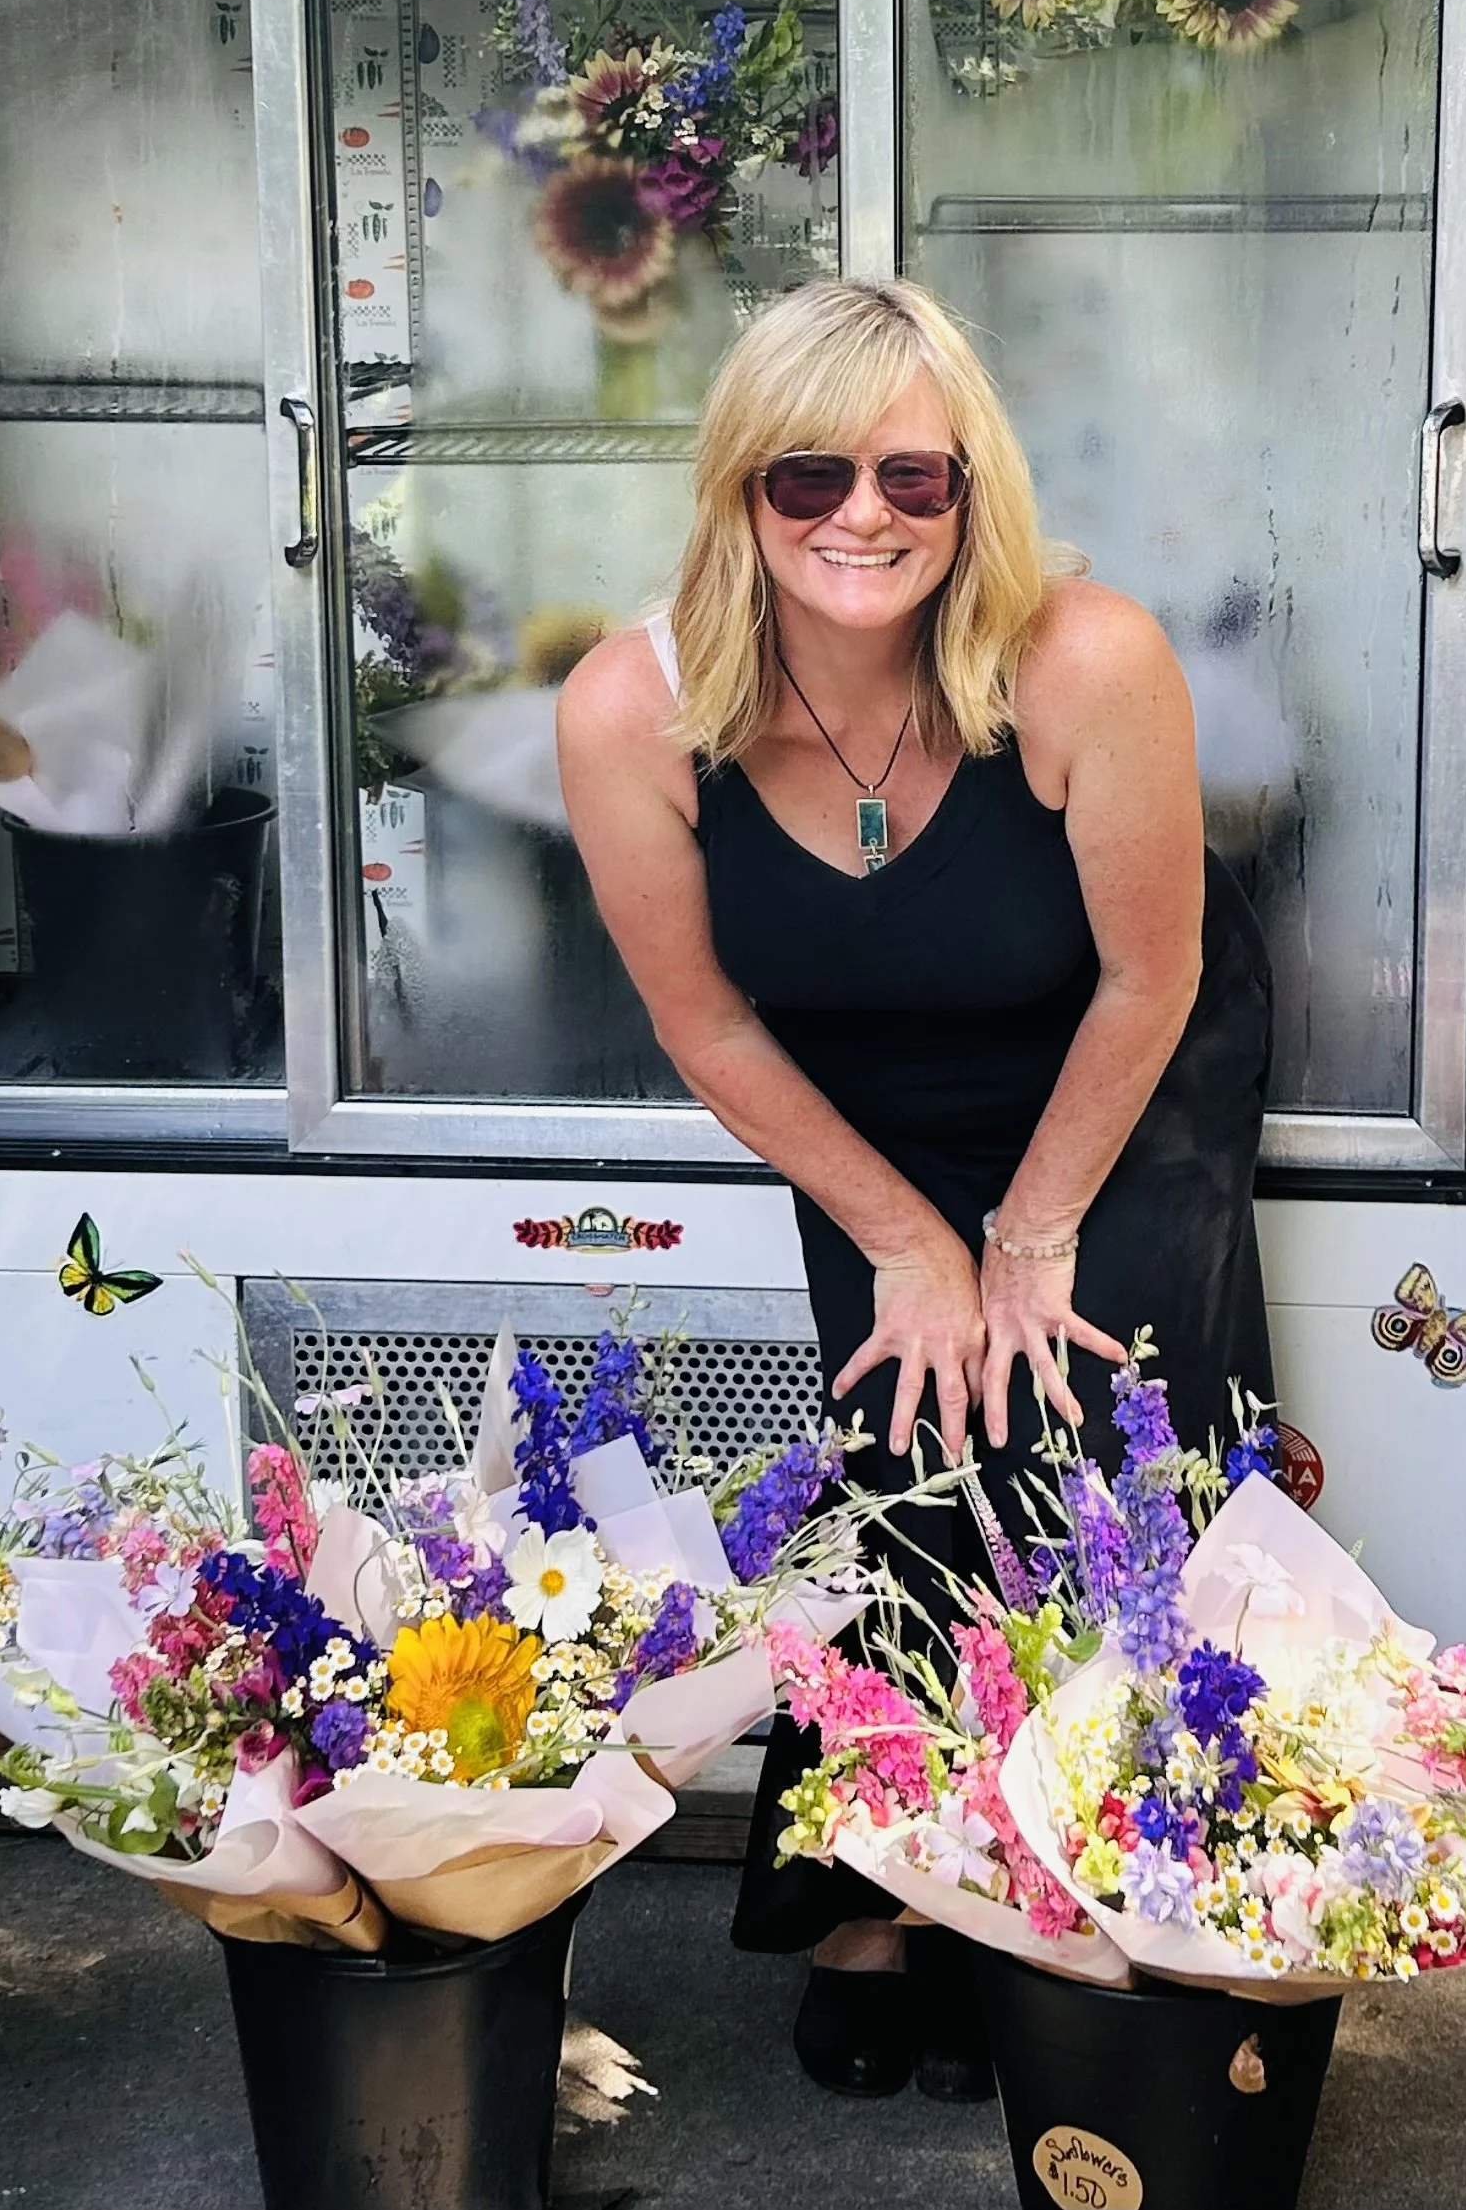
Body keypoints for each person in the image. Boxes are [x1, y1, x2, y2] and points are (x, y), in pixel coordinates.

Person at [558, 277, 1274, 2100]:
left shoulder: (1085, 659)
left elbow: (1154, 976)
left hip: (1114, 1064)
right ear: (740, 490)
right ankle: (877, 1886)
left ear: (971, 489)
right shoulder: (635, 709)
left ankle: (1099, 1869)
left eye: (911, 475)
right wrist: (905, 1237)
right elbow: (706, 1019)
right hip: (864, 1092)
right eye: (807, 476)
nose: (859, 515)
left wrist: (1031, 1237)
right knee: (906, 1439)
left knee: (1089, 1416)